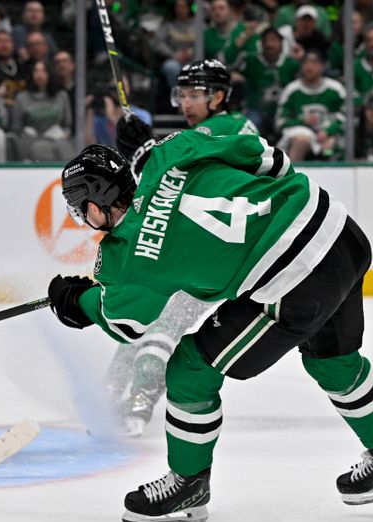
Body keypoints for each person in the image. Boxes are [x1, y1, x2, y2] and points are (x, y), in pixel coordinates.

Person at [48, 137, 373, 522]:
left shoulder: (124, 259)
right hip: (338, 230)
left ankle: (188, 485)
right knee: (333, 362)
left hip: (297, 282)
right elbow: (272, 160)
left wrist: (77, 303)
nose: (83, 219)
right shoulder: (171, 154)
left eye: (81, 211)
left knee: (190, 369)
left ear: (94, 205)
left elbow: (125, 324)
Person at [108, 59, 257, 436]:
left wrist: (144, 150)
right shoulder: (213, 130)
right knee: (147, 312)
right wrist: (144, 150)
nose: (185, 103)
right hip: (200, 246)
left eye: (195, 95)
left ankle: (140, 398)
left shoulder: (229, 127)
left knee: (168, 321)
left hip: (215, 253)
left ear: (219, 96)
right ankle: (111, 388)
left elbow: (175, 173)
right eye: (182, 95)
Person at [276, 50, 346, 161]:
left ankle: (329, 167)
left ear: (322, 66)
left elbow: (346, 116)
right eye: (305, 63)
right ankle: (292, 175)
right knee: (300, 140)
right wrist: (302, 121)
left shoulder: (335, 89)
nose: (309, 67)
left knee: (330, 147)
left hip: (327, 135)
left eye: (314, 62)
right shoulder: (292, 90)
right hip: (300, 135)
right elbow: (280, 122)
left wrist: (328, 131)